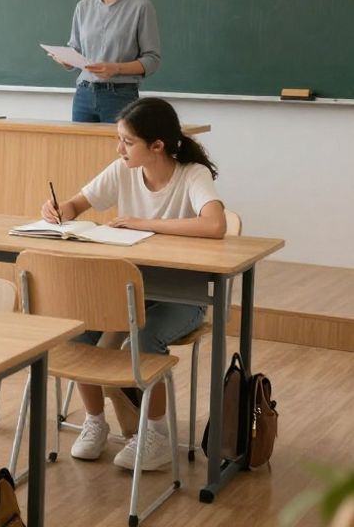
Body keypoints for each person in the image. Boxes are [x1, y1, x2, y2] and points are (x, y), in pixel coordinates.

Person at [40, 96, 224, 471]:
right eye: (118, 138)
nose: (118, 148)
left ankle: (155, 434)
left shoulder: (191, 174)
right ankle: (95, 422)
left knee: (143, 338)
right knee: (77, 332)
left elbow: (215, 225)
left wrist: (145, 223)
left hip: (181, 297)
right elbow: (76, 204)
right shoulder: (121, 169)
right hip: (127, 291)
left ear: (156, 146)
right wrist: (60, 211)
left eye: (127, 141)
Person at [53, 0, 162, 123]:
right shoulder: (83, 6)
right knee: (80, 152)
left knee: (117, 151)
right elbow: (76, 49)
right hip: (84, 95)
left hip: (120, 96)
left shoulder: (140, 6)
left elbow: (152, 60)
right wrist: (67, 60)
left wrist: (116, 68)